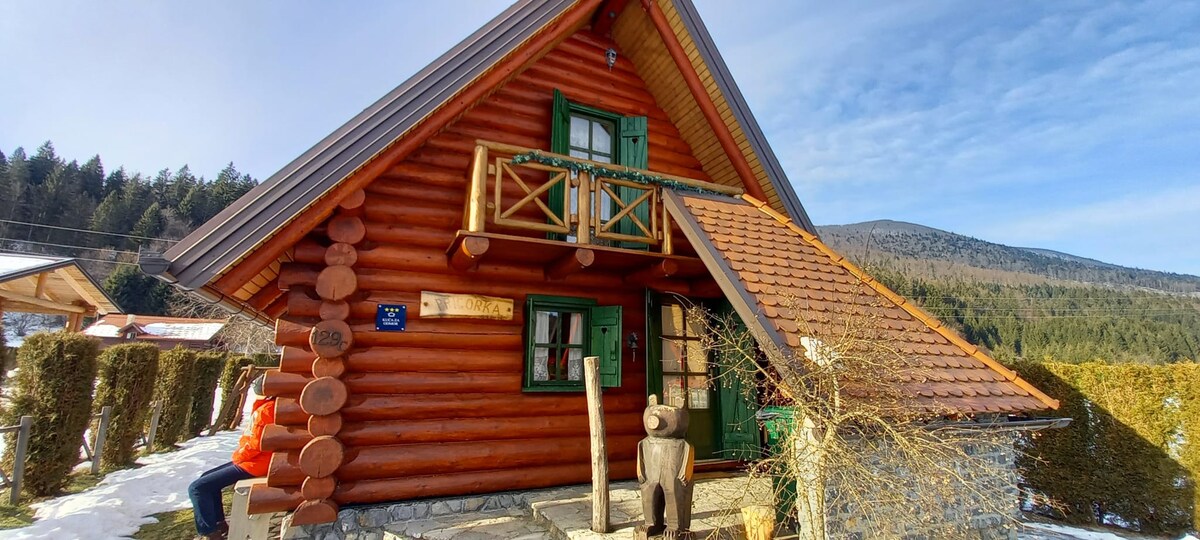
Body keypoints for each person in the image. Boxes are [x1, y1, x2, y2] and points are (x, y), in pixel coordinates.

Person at [189, 374, 275, 540]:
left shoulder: (266, 410)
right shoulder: (273, 407)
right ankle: (219, 524)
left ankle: (210, 533)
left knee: (198, 488)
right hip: (260, 460)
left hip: (255, 463)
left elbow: (256, 444)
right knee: (206, 479)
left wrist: (239, 456)